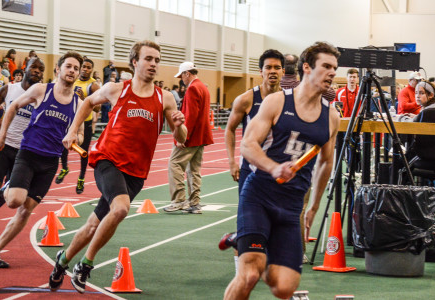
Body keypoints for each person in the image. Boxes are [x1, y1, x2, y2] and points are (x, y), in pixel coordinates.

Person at [48, 40, 186, 294]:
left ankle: (63, 260)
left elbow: (182, 139)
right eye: (148, 59)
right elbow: (88, 102)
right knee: (121, 208)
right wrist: (72, 129)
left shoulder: (164, 97)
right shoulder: (116, 89)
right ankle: (85, 265)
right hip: (107, 159)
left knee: (93, 225)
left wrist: (178, 124)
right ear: (135, 62)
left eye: (157, 60)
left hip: (136, 172)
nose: (154, 64)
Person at [223, 41, 340, 300]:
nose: (332, 72)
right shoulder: (276, 102)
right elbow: (248, 145)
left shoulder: (331, 116)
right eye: (326, 66)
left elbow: (326, 162)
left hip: (291, 205)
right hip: (259, 195)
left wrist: (314, 207)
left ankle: (244, 240)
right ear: (307, 68)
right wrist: (274, 168)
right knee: (250, 272)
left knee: (284, 287)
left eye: (335, 67)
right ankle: (249, 242)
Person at [0, 52, 83, 268]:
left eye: (76, 68)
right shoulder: (41, 90)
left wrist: (75, 137)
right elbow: (12, 107)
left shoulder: (79, 104)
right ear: (58, 69)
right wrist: (1, 135)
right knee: (14, 201)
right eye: (68, 66)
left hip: (50, 163)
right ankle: (7, 189)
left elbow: (80, 133)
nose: (72, 71)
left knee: (26, 209)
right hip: (28, 153)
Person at [222, 49, 285, 272]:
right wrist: (232, 161)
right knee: (247, 219)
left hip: (276, 172)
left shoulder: (289, 101)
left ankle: (241, 241)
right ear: (260, 71)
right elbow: (229, 129)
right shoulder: (247, 99)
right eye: (268, 67)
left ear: (283, 71)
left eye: (277, 67)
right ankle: (241, 268)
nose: (272, 71)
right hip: (251, 172)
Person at [0, 58, 44, 247]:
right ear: (25, 68)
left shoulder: (42, 96)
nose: (37, 71)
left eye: (41, 69)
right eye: (33, 67)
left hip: (25, 152)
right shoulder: (9, 89)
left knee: (17, 197)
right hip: (4, 146)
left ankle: (6, 188)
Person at [164, 62, 214, 214]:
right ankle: (194, 203)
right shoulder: (203, 87)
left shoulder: (192, 88)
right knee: (194, 169)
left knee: (174, 163)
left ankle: (178, 200)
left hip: (191, 136)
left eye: (181, 76)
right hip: (201, 135)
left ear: (187, 73)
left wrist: (182, 138)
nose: (181, 80)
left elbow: (190, 116)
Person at [55, 58, 100, 194]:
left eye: (88, 67)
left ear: (92, 70)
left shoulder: (93, 86)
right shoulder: (72, 79)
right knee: (63, 144)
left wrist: (85, 100)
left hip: (84, 122)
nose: (85, 69)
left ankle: (81, 178)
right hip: (69, 119)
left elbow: (97, 108)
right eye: (84, 67)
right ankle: (64, 168)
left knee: (83, 152)